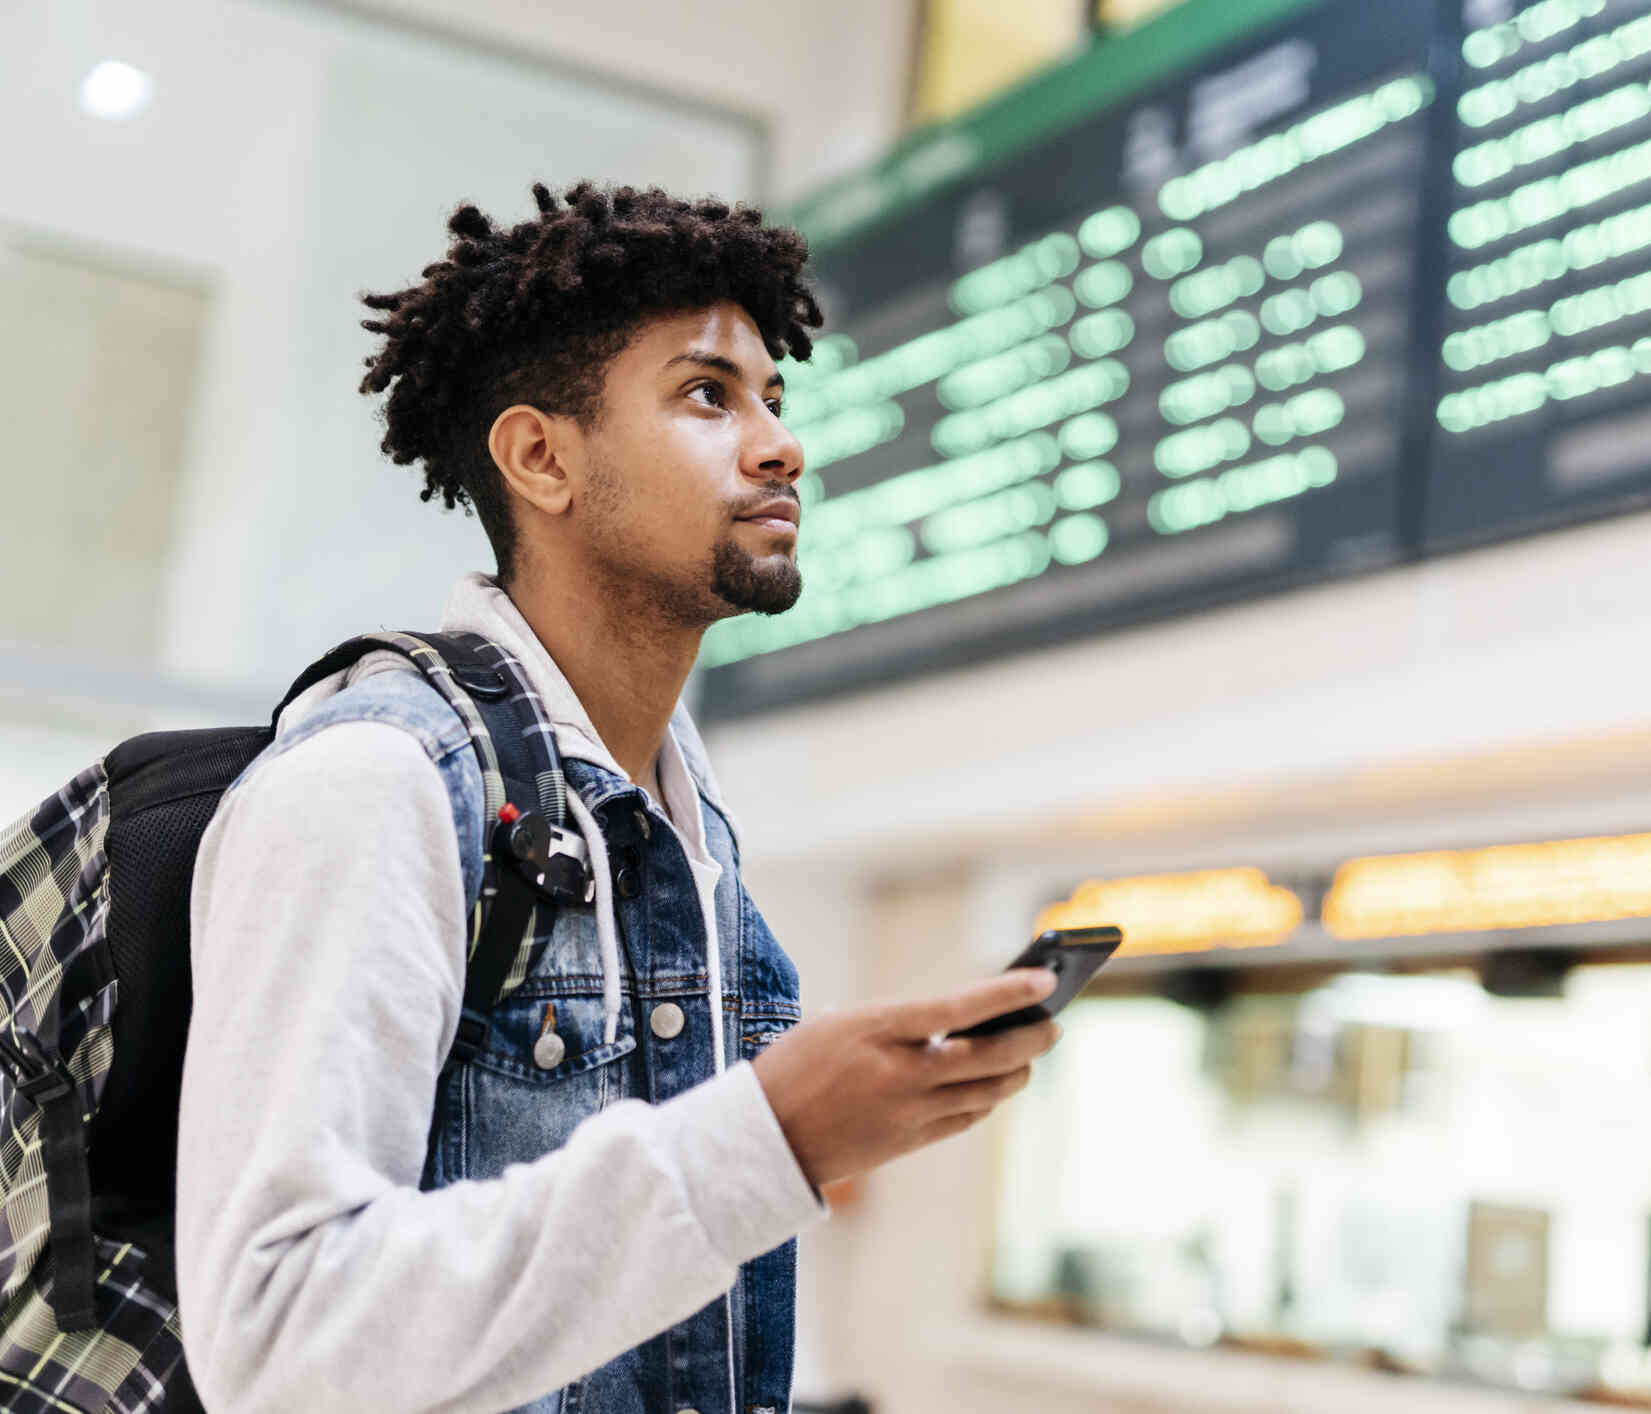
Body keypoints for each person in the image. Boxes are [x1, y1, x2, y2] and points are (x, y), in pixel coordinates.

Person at [174, 182, 1062, 1414]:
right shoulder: (373, 783)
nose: (780, 444)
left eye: (773, 398)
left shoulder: (683, 835)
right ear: (542, 456)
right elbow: (276, 1347)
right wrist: (769, 1141)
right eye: (707, 395)